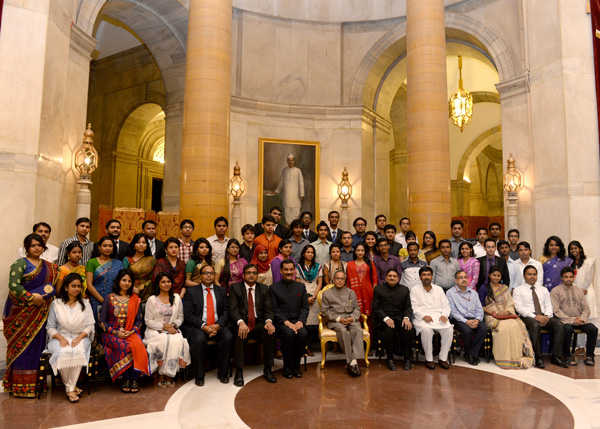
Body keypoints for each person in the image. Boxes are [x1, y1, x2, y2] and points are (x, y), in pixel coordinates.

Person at [3, 233, 58, 398]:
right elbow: (13, 286)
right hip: (20, 314)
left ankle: (35, 385)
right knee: (21, 348)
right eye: (33, 245)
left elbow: (52, 288)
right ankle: (19, 386)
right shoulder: (20, 263)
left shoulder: (49, 266)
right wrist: (32, 298)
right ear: (26, 248)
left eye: (39, 245)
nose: (36, 248)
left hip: (40, 315)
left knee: (37, 349)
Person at [46, 273, 95, 402]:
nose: (77, 289)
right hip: (60, 337)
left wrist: (79, 338)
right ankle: (71, 387)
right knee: (63, 351)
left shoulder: (85, 303)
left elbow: (90, 325)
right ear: (66, 287)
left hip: (81, 336)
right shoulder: (56, 304)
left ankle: (69, 389)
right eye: (73, 286)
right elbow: (50, 327)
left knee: (78, 351)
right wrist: (61, 339)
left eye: (79, 286)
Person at [99, 269, 150, 393]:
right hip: (110, 334)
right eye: (124, 280)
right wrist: (115, 332)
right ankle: (126, 378)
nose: (126, 283)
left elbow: (139, 321)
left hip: (130, 333)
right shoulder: (109, 298)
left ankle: (133, 379)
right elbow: (102, 322)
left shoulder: (134, 299)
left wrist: (131, 332)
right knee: (125, 346)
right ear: (118, 281)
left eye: (129, 281)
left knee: (136, 344)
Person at [182, 265, 232, 386]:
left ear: (214, 275)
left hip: (217, 325)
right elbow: (188, 315)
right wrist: (204, 326)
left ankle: (223, 373)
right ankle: (199, 374)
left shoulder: (222, 290)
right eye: (205, 273)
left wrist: (218, 325)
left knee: (228, 337)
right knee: (198, 340)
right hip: (199, 325)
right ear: (200, 276)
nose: (209, 275)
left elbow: (226, 311)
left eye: (211, 273)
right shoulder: (191, 291)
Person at [228, 264, 277, 386]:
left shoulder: (264, 288)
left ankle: (268, 369)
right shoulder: (235, 288)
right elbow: (232, 309)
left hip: (258, 322)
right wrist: (241, 323)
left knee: (270, 332)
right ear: (243, 275)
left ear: (257, 275)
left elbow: (269, 309)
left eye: (254, 273)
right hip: (242, 322)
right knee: (240, 334)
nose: (251, 275)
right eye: (248, 273)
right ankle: (239, 371)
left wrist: (269, 322)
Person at [513, 265, 568, 368]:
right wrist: (535, 316)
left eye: (534, 274)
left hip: (543, 315)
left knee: (560, 325)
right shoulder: (518, 290)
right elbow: (519, 308)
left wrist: (546, 316)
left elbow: (548, 305)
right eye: (529, 274)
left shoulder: (543, 289)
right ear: (524, 276)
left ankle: (556, 357)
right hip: (527, 316)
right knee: (535, 325)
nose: (532, 276)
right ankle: (537, 357)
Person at [480, 266, 534, 370]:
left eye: (498, 275)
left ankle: (517, 357)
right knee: (504, 327)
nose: (496, 277)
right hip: (491, 317)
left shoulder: (504, 288)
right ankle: (505, 359)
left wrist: (506, 312)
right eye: (494, 275)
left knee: (515, 325)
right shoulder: (484, 288)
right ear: (489, 275)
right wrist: (494, 313)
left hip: (506, 315)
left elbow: (510, 303)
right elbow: (481, 306)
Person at [144, 272, 191, 387]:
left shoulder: (176, 298)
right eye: (163, 282)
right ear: (158, 284)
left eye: (168, 281)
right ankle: (161, 373)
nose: (166, 284)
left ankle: (170, 373)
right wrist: (164, 327)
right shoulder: (152, 299)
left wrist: (173, 325)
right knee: (164, 340)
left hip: (173, 328)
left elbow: (180, 317)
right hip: (154, 330)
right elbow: (148, 321)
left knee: (178, 340)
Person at [269, 259, 309, 379]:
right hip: (282, 323)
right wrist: (286, 322)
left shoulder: (301, 287)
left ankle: (296, 366)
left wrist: (300, 322)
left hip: (298, 321)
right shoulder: (273, 288)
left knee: (303, 334)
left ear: (294, 271)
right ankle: (287, 366)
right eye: (286, 269)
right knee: (289, 333)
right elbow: (274, 309)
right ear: (281, 271)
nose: (289, 272)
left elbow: (304, 307)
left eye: (291, 269)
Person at [321, 271, 365, 376]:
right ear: (333, 280)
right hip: (336, 321)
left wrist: (353, 318)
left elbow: (357, 309)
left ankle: (352, 361)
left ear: (345, 281)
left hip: (350, 319)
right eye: (338, 278)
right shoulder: (327, 294)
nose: (340, 281)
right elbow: (325, 311)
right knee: (343, 331)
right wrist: (338, 319)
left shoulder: (351, 292)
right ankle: (352, 362)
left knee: (358, 330)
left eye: (342, 279)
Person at [551, 266, 597, 366]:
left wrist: (582, 319)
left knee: (593, 329)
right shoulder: (555, 291)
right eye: (566, 277)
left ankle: (589, 356)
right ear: (562, 278)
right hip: (565, 321)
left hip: (579, 320)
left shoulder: (579, 290)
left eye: (571, 277)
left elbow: (586, 308)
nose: (568, 279)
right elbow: (556, 310)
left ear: (573, 278)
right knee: (566, 329)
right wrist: (572, 321)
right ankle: (567, 356)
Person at [372, 268, 415, 371]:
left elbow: (408, 307)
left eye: (394, 276)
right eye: (390, 276)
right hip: (384, 319)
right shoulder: (378, 289)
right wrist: (386, 319)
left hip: (400, 318)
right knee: (389, 330)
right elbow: (376, 308)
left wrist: (406, 318)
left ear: (398, 278)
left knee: (408, 329)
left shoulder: (404, 289)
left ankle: (407, 359)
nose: (392, 278)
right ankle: (390, 359)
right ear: (386, 277)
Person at [410, 267, 453, 370]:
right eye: (424, 275)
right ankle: (429, 359)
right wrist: (423, 316)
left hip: (438, 317)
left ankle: (443, 358)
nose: (426, 277)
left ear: (432, 276)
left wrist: (444, 315)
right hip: (421, 318)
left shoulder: (439, 289)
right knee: (426, 330)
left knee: (449, 329)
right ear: (420, 277)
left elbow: (446, 305)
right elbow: (414, 307)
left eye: (428, 275)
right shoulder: (414, 289)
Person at [446, 271, 487, 365]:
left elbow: (479, 309)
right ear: (456, 280)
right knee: (467, 331)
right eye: (461, 278)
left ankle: (470, 353)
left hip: (473, 318)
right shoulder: (450, 293)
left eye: (465, 277)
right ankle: (472, 355)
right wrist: (466, 321)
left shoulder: (473, 292)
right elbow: (453, 311)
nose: (464, 279)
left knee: (483, 329)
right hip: (458, 319)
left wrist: (477, 320)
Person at [86, 236, 123, 320]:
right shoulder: (92, 262)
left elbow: (121, 283)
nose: (107, 248)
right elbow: (89, 285)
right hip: (96, 299)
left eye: (110, 246)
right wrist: (103, 301)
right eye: (105, 246)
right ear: (99, 247)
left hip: (114, 300)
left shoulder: (118, 263)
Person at [295, 245, 323, 355]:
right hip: (301, 296)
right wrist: (305, 298)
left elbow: (320, 283)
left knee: (313, 324)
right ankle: (301, 348)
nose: (310, 254)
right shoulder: (298, 267)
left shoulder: (318, 267)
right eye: (308, 252)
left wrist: (314, 297)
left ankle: (308, 346)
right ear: (303, 254)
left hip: (315, 298)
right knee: (304, 323)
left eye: (312, 252)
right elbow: (297, 283)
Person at [346, 242, 378, 334]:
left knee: (368, 316)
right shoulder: (349, 264)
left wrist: (374, 293)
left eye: (362, 250)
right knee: (355, 315)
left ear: (365, 252)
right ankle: (356, 340)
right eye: (358, 250)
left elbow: (374, 280)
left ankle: (369, 342)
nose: (360, 252)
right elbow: (348, 281)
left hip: (368, 293)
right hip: (354, 293)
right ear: (355, 252)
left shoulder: (370, 263)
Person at [568, 241, 598, 332]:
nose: (573, 250)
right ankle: (580, 345)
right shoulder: (570, 263)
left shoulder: (588, 262)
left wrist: (581, 290)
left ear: (580, 249)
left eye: (575, 248)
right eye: (571, 249)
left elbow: (588, 279)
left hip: (586, 292)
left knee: (588, 318)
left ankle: (587, 343)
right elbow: (568, 279)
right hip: (575, 292)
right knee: (578, 317)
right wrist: (577, 290)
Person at [122, 233, 156, 302]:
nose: (141, 244)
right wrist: (132, 287)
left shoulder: (152, 260)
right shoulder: (127, 259)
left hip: (149, 292)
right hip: (130, 291)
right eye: (138, 242)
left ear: (147, 245)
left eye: (143, 242)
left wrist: (142, 287)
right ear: (134, 245)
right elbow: (124, 277)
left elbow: (154, 278)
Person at [272, 154, 305, 224]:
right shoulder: (284, 170)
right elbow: (281, 182)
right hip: (287, 195)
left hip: (296, 195)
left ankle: (294, 226)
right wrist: (277, 191)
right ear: (287, 161)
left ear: (294, 161)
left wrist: (301, 194)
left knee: (296, 211)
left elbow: (301, 183)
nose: (291, 162)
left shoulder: (298, 170)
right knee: (287, 212)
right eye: (289, 160)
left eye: (292, 160)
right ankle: (289, 225)